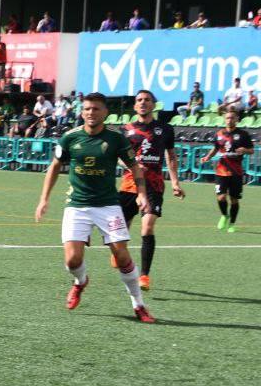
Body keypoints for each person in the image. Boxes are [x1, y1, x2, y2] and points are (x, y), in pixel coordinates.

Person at [34, 92, 154, 323]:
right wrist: (44, 199)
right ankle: (80, 282)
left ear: (105, 113)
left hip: (108, 205)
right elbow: (55, 166)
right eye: (87, 109)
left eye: (96, 109)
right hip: (77, 205)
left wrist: (141, 194)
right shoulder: (70, 138)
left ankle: (139, 305)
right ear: (82, 112)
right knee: (72, 260)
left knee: (122, 256)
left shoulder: (116, 139)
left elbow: (135, 167)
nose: (91, 113)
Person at [119, 90, 185, 290]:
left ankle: (144, 276)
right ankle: (119, 252)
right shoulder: (126, 129)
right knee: (121, 228)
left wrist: (175, 182)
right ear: (134, 106)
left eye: (147, 100)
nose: (143, 103)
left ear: (154, 105)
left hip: (154, 185)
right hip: (130, 183)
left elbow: (171, 156)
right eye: (139, 100)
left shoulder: (165, 129)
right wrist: (133, 166)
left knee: (147, 226)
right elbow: (119, 157)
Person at [200, 110, 253, 233]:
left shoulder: (243, 134)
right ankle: (224, 215)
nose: (229, 120)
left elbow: (251, 150)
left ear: (237, 119)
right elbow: (215, 148)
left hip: (236, 172)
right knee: (221, 197)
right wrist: (207, 157)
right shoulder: (219, 134)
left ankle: (232, 224)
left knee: (234, 199)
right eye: (227, 118)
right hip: (221, 171)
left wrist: (244, 150)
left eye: (232, 118)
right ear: (225, 119)